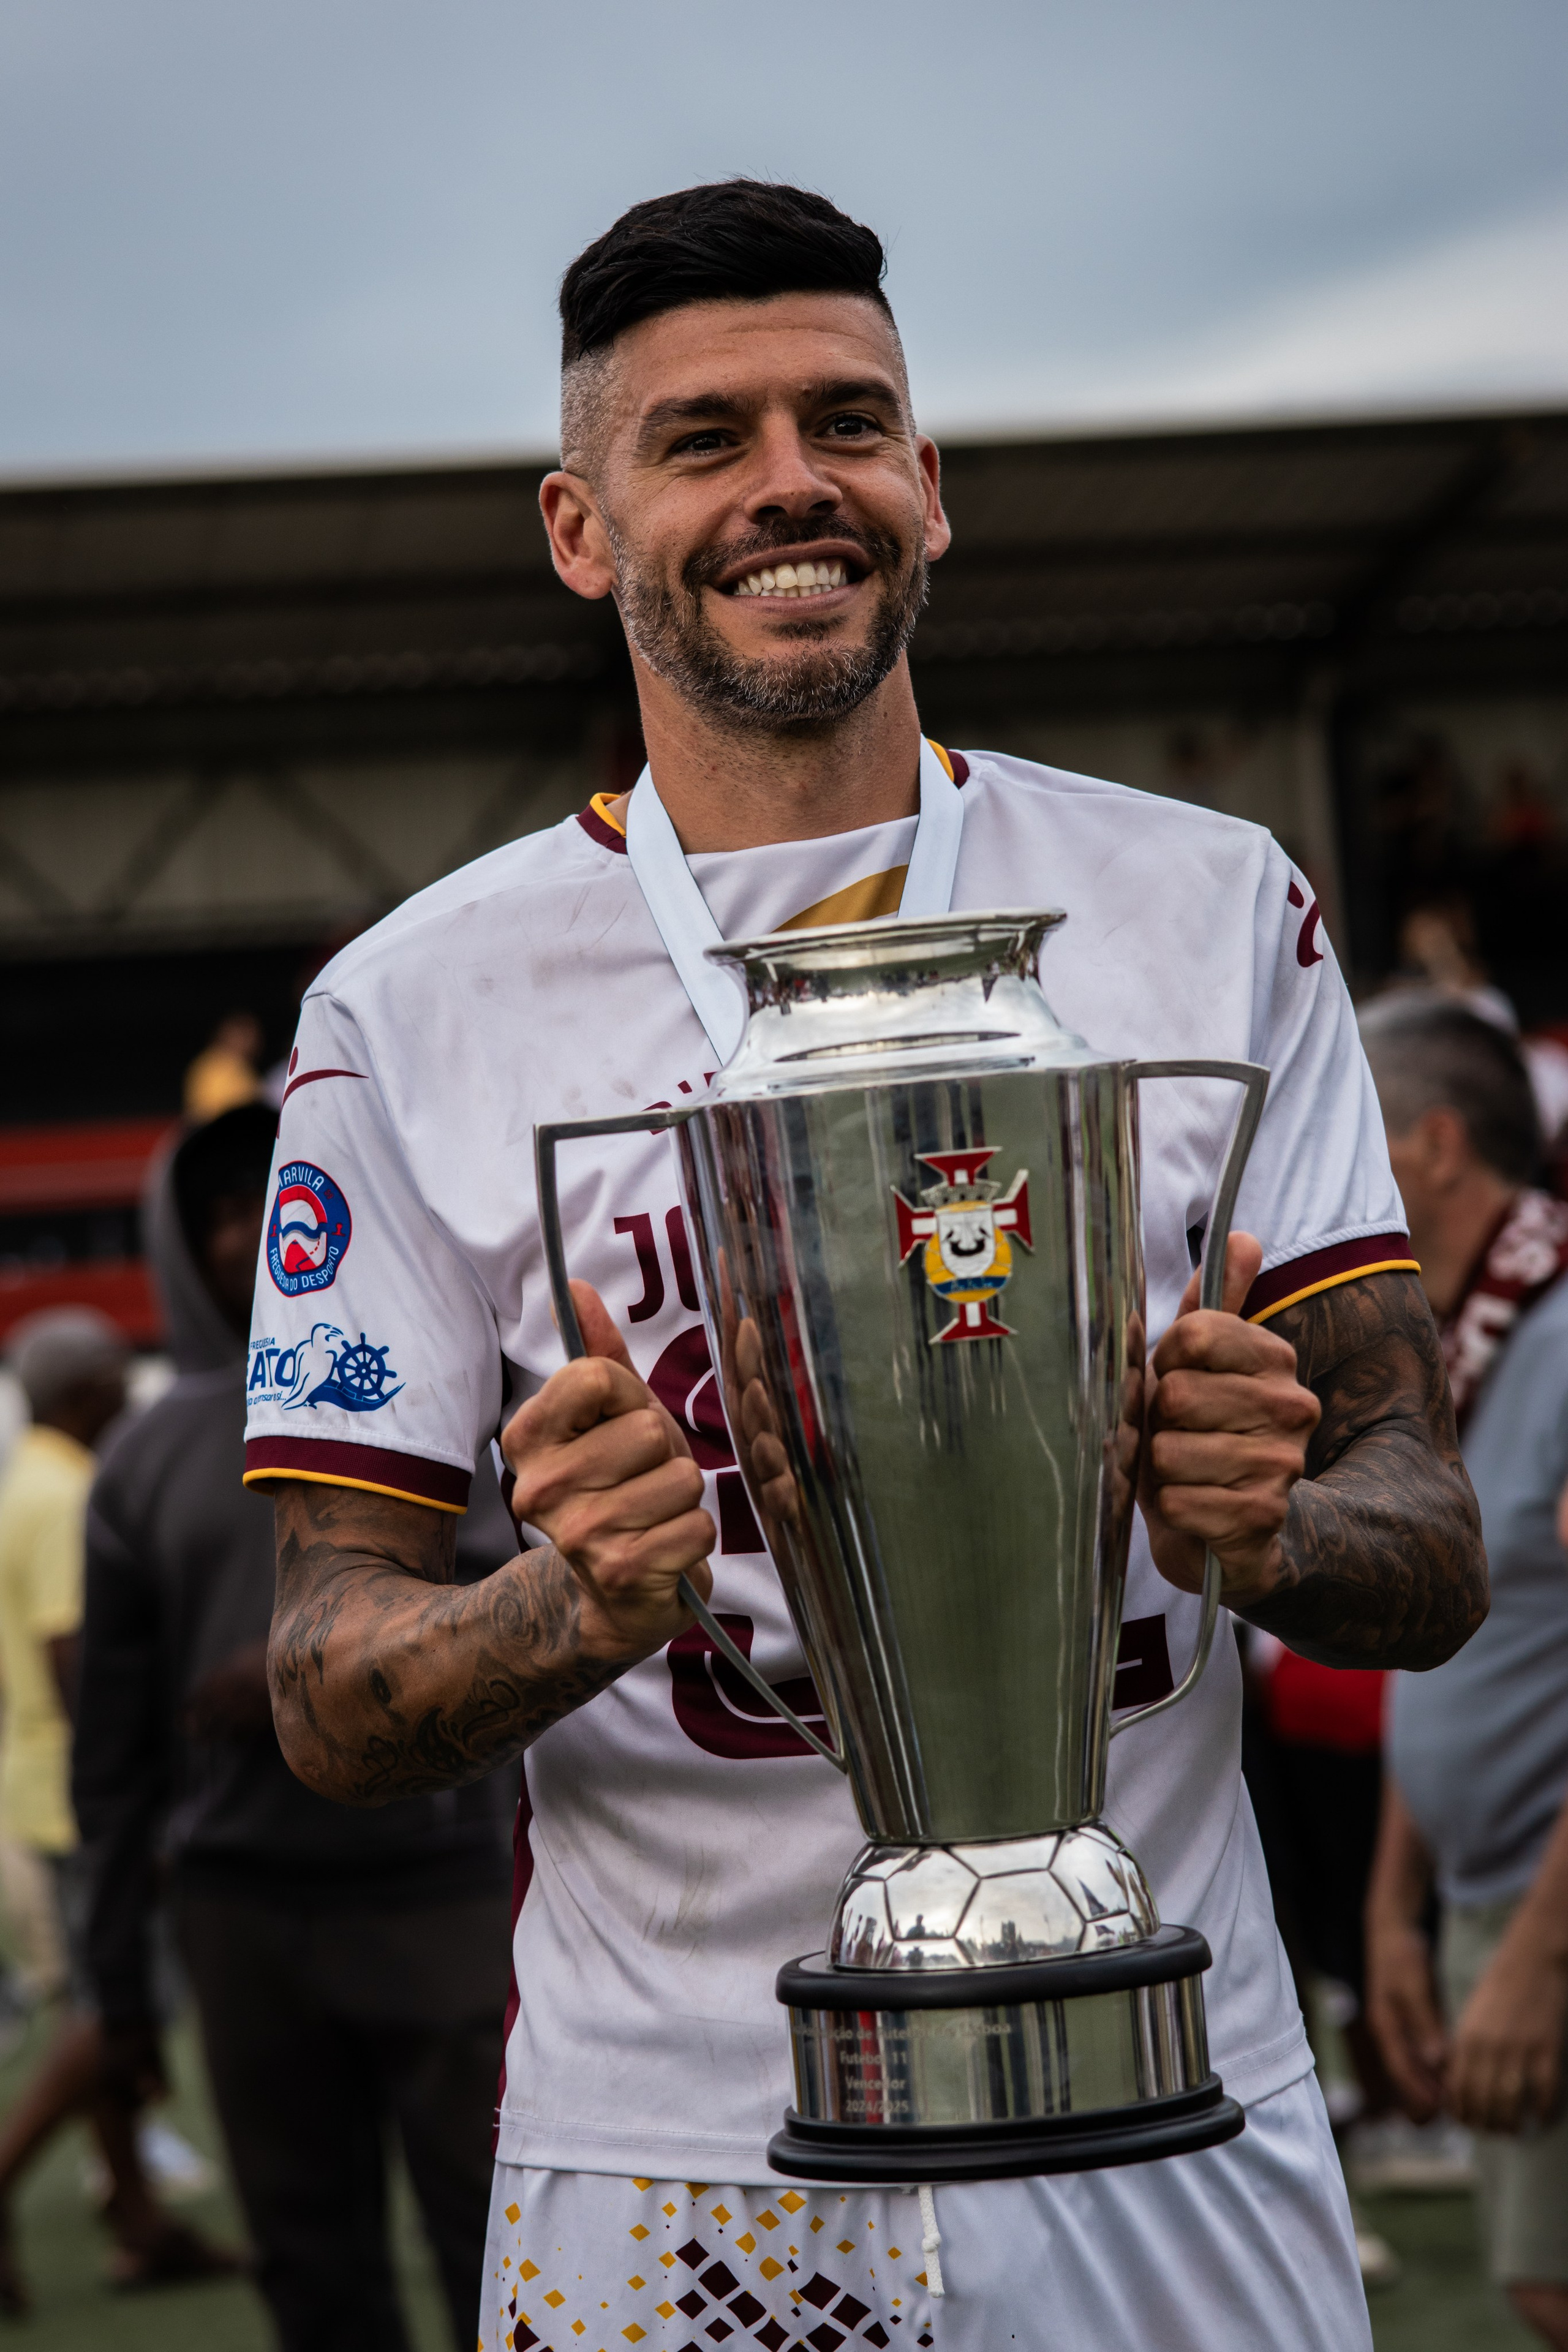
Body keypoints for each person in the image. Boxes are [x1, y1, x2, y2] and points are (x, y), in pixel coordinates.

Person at [243, 182, 1486, 2351]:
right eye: (702, 439)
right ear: (579, 528)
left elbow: (1433, 1532)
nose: (789, 485)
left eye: (847, 422)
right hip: (675, 2158)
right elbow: (322, 1683)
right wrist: (562, 1600)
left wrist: (1272, 1523)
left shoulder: (1207, 904)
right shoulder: (408, 1007)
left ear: (930, 488)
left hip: (1170, 2089)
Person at [73, 1102, 517, 2352]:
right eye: (213, 1214)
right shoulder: (143, 1460)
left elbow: (527, 1586)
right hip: (243, 1909)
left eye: (263, 1201)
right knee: (308, 2262)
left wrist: (313, 1669)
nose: (241, 1237)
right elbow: (111, 1755)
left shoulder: (432, 1406)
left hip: (440, 1888)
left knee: (490, 2239)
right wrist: (115, 1984)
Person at [1360, 997, 1568, 2351]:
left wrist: (1539, 1958)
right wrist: (1394, 1906)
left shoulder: (1554, 1328)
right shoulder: (1466, 1334)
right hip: (1488, 1899)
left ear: (1431, 1147)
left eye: (1351, 1131)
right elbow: (1449, 1638)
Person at [0, 1308, 231, 2309]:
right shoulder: (66, 1493)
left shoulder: (30, 1484)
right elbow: (74, 1656)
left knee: (110, 2005)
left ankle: (139, 2223)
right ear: (88, 1388)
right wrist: (149, 1785)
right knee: (114, 2010)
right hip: (87, 1801)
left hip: (47, 1788)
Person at [183, 1011, 264, 1122]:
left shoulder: (245, 1069)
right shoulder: (211, 1066)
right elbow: (205, 1112)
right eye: (245, 1035)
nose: (253, 1041)